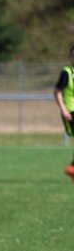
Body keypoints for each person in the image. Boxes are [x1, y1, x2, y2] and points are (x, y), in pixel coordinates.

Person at [53, 46, 74, 179]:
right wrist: (63, 109)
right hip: (71, 110)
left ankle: (72, 169)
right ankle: (72, 168)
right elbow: (57, 91)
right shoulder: (66, 72)